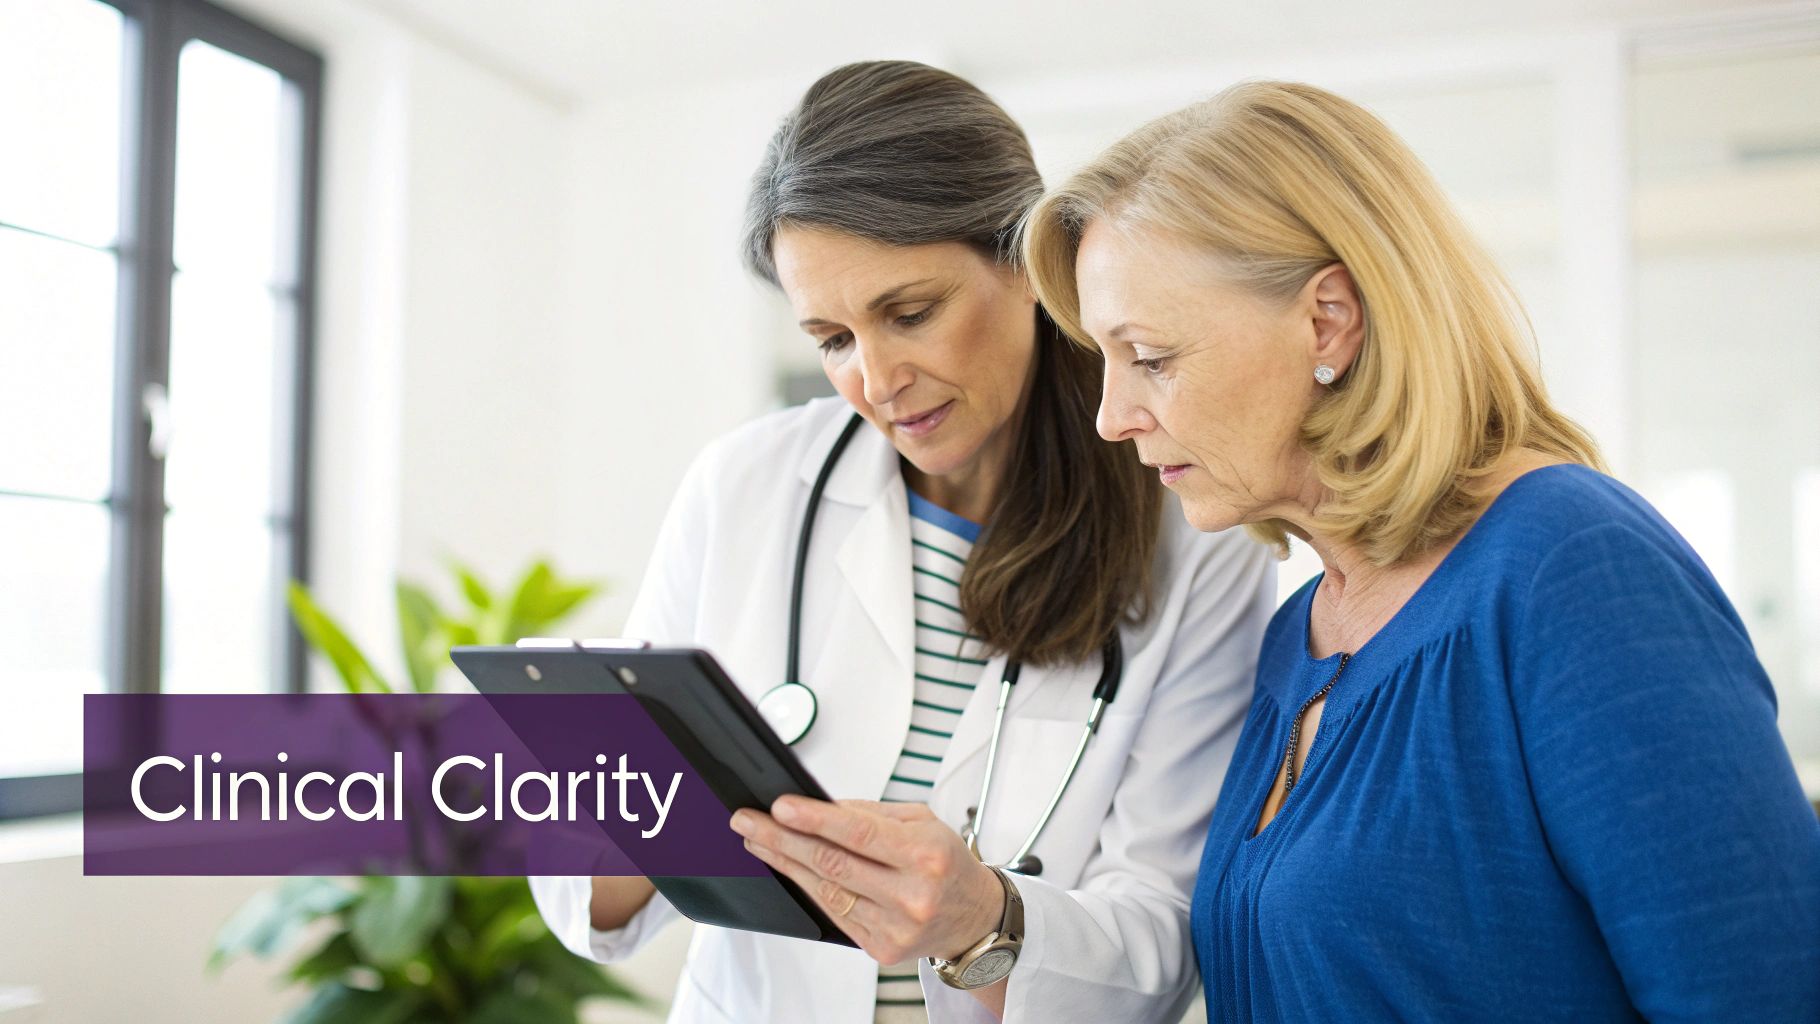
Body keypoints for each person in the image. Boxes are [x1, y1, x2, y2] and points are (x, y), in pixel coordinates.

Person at [1022, 79, 1820, 1021]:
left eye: (1150, 357)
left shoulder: (1572, 567)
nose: (1114, 416)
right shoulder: (1301, 636)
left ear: (1328, 320)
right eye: (1102, 364)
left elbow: (1759, 991)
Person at [531, 61, 1275, 1023]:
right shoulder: (746, 485)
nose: (876, 379)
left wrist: (982, 917)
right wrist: (641, 823)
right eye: (832, 338)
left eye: (910, 313)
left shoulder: (1195, 533)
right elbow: (589, 894)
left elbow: (1166, 942)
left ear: (1025, 261)